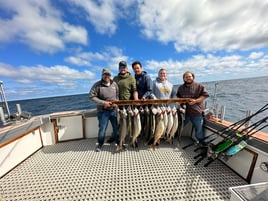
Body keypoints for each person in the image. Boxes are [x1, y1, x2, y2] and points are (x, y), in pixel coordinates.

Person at [106, 61, 138, 144]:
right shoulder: (115, 78)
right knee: (116, 123)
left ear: (127, 68)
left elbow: (134, 90)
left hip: (129, 105)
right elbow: (111, 90)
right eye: (121, 68)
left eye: (124, 67)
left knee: (130, 123)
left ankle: (132, 138)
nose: (122, 69)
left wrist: (136, 100)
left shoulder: (131, 78)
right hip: (118, 104)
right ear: (118, 69)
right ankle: (114, 136)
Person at [89, 68, 120, 152]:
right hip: (102, 111)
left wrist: (116, 102)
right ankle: (100, 143)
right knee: (102, 129)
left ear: (110, 76)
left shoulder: (114, 84)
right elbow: (91, 97)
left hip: (113, 110)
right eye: (105, 74)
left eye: (108, 75)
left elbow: (117, 95)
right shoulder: (97, 85)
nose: (107, 76)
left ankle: (118, 142)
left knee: (116, 128)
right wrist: (104, 103)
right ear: (102, 75)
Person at [176, 71, 209, 145]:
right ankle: (174, 138)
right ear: (183, 79)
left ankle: (201, 142)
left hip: (196, 113)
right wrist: (179, 103)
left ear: (193, 77)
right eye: (186, 77)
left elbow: (205, 95)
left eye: (189, 76)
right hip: (184, 113)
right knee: (179, 126)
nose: (188, 78)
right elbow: (178, 97)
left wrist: (195, 101)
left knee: (199, 130)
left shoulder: (199, 86)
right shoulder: (180, 88)